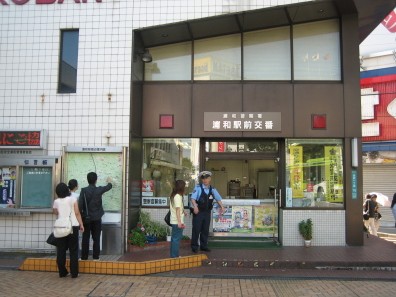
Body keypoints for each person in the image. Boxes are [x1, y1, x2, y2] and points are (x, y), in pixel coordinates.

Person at [78, 172, 113, 260]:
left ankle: (84, 257)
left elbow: (80, 206)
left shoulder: (84, 190)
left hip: (86, 219)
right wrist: (109, 181)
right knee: (96, 238)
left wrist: (82, 216)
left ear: (87, 180)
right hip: (97, 218)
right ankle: (96, 257)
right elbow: (109, 187)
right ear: (96, 180)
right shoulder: (99, 190)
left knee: (85, 238)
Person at [53, 182, 84, 278]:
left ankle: (62, 272)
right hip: (72, 226)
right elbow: (77, 213)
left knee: (61, 250)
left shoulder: (56, 201)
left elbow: (55, 213)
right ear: (67, 190)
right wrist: (81, 224)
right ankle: (74, 273)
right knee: (73, 251)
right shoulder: (72, 199)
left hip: (61, 228)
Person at [190, 171, 225, 253]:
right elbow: (193, 199)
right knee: (196, 230)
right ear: (202, 180)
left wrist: (222, 207)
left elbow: (218, 199)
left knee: (205, 230)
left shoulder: (212, 190)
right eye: (203, 178)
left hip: (207, 212)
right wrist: (195, 207)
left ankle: (204, 246)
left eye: (207, 178)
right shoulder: (198, 188)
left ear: (210, 179)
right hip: (198, 213)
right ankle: (194, 247)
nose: (205, 180)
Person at [169, 180, 186, 258]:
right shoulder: (178, 196)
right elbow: (177, 209)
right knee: (176, 239)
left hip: (175, 220)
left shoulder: (174, 195)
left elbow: (178, 208)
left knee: (174, 239)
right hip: (177, 221)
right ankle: (175, 256)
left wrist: (184, 211)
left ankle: (173, 255)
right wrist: (179, 222)